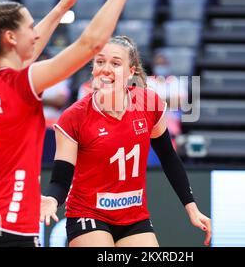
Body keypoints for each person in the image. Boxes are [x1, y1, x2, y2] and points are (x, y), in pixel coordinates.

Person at [0, 0, 150, 247]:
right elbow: (91, 44)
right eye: (29, 28)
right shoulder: (21, 84)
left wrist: (63, 6)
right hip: (8, 229)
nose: (35, 35)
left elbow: (26, 54)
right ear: (10, 38)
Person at [40, 36, 211, 247]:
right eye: (100, 62)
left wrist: (192, 207)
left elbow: (168, 157)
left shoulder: (148, 103)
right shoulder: (74, 116)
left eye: (115, 63)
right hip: (88, 214)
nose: (105, 69)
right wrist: (51, 200)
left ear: (131, 72)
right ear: (93, 68)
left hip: (134, 216)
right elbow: (60, 179)